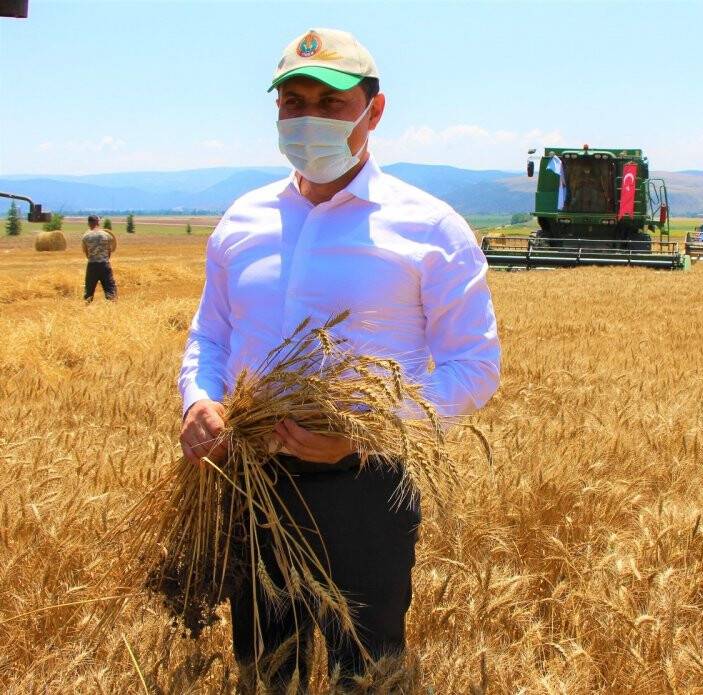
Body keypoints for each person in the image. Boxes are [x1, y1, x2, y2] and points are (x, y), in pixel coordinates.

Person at [176, 28, 501, 692]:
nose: (308, 118)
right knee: (266, 670)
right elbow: (210, 335)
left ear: (373, 112)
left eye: (330, 102)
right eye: (293, 102)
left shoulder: (431, 228)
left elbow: (475, 363)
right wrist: (198, 400)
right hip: (251, 484)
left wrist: (362, 435)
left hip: (366, 489)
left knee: (368, 674)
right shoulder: (242, 220)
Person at [81, 214, 117, 302]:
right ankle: (113, 307)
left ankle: (87, 306)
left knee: (89, 289)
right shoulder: (106, 235)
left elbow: (86, 253)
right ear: (97, 222)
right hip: (105, 265)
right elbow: (110, 251)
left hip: (92, 265)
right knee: (110, 288)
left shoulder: (85, 237)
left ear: (89, 223)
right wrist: (104, 260)